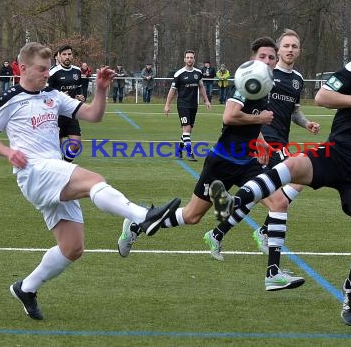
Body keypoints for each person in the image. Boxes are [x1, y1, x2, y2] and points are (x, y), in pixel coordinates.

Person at [208, 34, 351, 326]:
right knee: (292, 167)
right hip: (335, 154)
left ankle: (350, 289)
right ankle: (234, 202)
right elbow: (322, 97)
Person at [0, 42, 181, 320]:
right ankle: (142, 216)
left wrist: (100, 89)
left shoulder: (52, 95)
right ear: (23, 68)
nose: (45, 75)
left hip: (53, 169)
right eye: (40, 69)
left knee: (72, 248)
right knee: (94, 180)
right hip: (34, 173)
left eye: (47, 69)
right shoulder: (6, 99)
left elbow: (93, 115)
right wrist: (8, 151)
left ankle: (26, 288)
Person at [119, 38, 305, 291]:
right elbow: (229, 116)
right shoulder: (246, 81)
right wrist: (260, 118)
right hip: (223, 161)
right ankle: (137, 224)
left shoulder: (265, 83)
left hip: (247, 161)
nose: (269, 61)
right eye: (264, 56)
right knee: (192, 216)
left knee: (279, 202)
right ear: (253, 59)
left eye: (272, 57)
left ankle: (273, 272)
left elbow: (251, 122)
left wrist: (259, 139)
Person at [204, 29, 321, 288]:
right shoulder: (264, 74)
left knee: (262, 194)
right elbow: (239, 108)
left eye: (295, 46)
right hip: (263, 143)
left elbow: (294, 112)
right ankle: (265, 240)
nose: (290, 50)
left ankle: (219, 233)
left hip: (281, 142)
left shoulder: (297, 80)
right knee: (289, 187)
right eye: (286, 46)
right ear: (278, 50)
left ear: (299, 51)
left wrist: (307, 124)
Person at [164, 50, 212, 161]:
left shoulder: (198, 73)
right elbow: (172, 90)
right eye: (187, 57)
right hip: (182, 104)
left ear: (194, 59)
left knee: (189, 130)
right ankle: (190, 153)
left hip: (193, 105)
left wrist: (206, 101)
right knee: (186, 128)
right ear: (184, 59)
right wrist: (167, 105)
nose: (189, 59)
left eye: (191, 57)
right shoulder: (179, 74)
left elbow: (201, 87)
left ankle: (179, 150)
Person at [48, 45, 83, 162]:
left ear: (72, 55)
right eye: (64, 54)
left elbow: (79, 88)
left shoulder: (77, 71)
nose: (67, 57)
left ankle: (65, 164)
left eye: (69, 54)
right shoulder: (53, 72)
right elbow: (45, 93)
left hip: (71, 112)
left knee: (76, 144)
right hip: (55, 114)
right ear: (59, 56)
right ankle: (57, 170)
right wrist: (60, 96)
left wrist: (80, 96)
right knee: (56, 147)